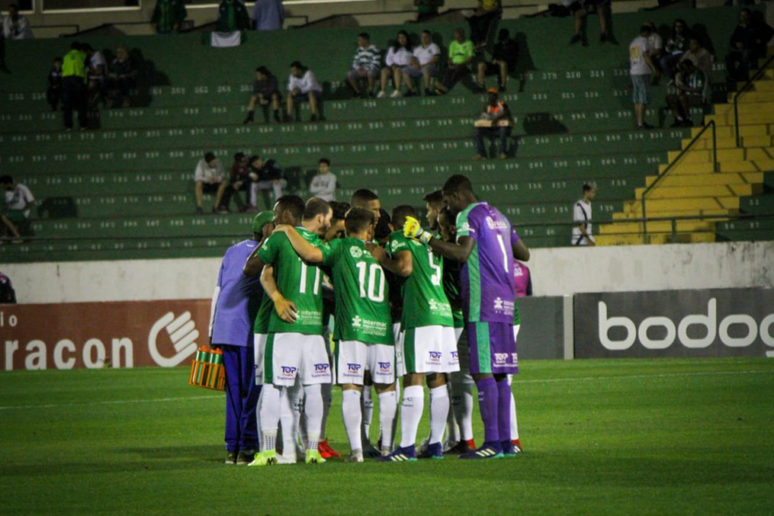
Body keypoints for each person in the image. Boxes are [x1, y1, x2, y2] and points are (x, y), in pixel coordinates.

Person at [405, 174, 530, 459]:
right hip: (507, 304)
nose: (447, 207)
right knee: (500, 373)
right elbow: (524, 253)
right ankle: (505, 444)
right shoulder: (500, 215)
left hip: (482, 302)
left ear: (458, 195)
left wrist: (424, 238)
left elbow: (462, 253)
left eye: (448, 201)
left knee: (482, 371)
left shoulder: (468, 216)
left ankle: (491, 445)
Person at [274, 207, 398, 462]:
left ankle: (357, 452)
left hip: (353, 326)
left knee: (352, 387)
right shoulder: (380, 252)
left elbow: (309, 253)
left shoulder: (340, 248)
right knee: (386, 388)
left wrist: (288, 229)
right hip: (382, 326)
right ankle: (387, 448)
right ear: (370, 229)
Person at [243, 196, 333, 466]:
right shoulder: (322, 244)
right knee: (314, 387)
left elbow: (260, 271)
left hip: (286, 323)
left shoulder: (280, 238)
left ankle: (269, 451)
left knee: (273, 387)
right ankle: (313, 451)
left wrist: (278, 299)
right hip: (315, 326)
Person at [369, 205, 458, 462]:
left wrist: (382, 257)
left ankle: (406, 447)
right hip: (443, 314)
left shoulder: (399, 237)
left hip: (420, 316)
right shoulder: (432, 243)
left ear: (395, 226)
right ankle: (436, 444)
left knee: (413, 378)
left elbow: (405, 268)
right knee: (437, 379)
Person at [209, 210, 274, 465]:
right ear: (269, 228)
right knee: (252, 390)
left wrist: (212, 331)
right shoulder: (267, 252)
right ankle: (247, 447)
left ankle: (231, 448)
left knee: (234, 392)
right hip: (247, 329)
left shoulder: (231, 250)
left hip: (225, 330)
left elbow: (217, 291)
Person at [436, 206, 475, 455]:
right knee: (454, 381)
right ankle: (458, 437)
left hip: (457, 321)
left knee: (458, 381)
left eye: (440, 226)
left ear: (451, 228)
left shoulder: (453, 253)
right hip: (456, 321)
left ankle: (465, 437)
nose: (437, 230)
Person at [726, 8, 774, 82]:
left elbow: (770, 31)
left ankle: (742, 75)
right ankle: (733, 75)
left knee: (746, 54)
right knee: (730, 56)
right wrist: (736, 44)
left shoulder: (756, 24)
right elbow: (732, 40)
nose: (743, 17)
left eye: (745, 15)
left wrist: (761, 40)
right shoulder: (739, 27)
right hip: (742, 50)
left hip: (755, 50)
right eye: (741, 15)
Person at [629, 25, 658, 130]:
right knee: (642, 99)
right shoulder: (643, 41)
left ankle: (639, 122)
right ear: (646, 33)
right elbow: (646, 55)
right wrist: (653, 68)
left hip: (634, 71)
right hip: (642, 72)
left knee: (637, 99)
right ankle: (641, 123)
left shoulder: (633, 42)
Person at [473, 88, 514, 160]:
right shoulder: (487, 106)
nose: (490, 97)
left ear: (496, 97)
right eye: (489, 95)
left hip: (502, 128)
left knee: (503, 130)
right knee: (477, 131)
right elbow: (482, 116)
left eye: (492, 95)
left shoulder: (502, 104)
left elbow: (507, 113)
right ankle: (481, 153)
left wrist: (497, 119)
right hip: (491, 129)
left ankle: (502, 152)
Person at [435, 28, 474, 96]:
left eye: (459, 37)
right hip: (454, 64)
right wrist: (450, 63)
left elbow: (470, 59)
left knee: (458, 69)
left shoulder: (469, 43)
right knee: (449, 69)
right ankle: (443, 88)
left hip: (465, 65)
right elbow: (450, 57)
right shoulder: (453, 44)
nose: (457, 39)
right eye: (456, 37)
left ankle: (445, 88)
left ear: (463, 35)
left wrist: (461, 63)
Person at [402, 30, 440, 97]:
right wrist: (415, 64)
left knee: (426, 69)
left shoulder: (434, 46)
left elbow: (436, 59)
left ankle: (427, 90)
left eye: (426, 37)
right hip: (419, 67)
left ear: (430, 37)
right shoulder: (418, 48)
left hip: (431, 67)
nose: (424, 39)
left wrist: (426, 64)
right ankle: (412, 90)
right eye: (422, 37)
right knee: (405, 70)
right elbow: (412, 59)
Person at [666, 60, 704, 128]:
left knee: (682, 98)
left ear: (691, 67)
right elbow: (681, 87)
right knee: (670, 98)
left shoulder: (698, 74)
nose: (685, 70)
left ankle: (688, 119)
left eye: (686, 68)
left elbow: (699, 90)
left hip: (697, 97)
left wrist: (685, 88)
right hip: (687, 96)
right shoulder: (685, 76)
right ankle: (679, 119)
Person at [61, 41, 88, 132]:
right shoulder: (83, 55)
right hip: (78, 81)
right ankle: (83, 125)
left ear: (71, 48)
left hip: (66, 81)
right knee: (81, 104)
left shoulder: (65, 56)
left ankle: (68, 126)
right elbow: (86, 69)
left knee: (67, 105)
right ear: (80, 49)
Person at [378, 31, 414, 99]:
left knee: (398, 70)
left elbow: (414, 59)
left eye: (403, 37)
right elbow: (388, 58)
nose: (401, 39)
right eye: (400, 38)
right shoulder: (393, 48)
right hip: (393, 66)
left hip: (405, 67)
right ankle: (383, 91)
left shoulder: (412, 48)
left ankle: (397, 90)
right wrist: (392, 65)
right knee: (384, 71)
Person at [347, 33, 381, 99]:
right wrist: (358, 69)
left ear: (365, 40)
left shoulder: (374, 49)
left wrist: (367, 70)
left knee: (371, 73)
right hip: (361, 70)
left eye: (360, 40)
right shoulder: (359, 50)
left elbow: (376, 62)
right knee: (350, 74)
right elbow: (355, 62)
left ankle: (371, 91)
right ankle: (357, 92)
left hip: (372, 69)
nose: (358, 42)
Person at [1, 175, 34, 242]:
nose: (2, 187)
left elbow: (32, 201)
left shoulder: (22, 188)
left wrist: (23, 210)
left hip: (22, 212)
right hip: (12, 212)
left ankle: (17, 237)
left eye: (3, 185)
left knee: (3, 217)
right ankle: (4, 237)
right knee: (2, 216)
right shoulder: (7, 193)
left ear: (8, 184)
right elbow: (7, 206)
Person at [572, 182, 596, 246]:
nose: (594, 194)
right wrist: (588, 239)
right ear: (586, 192)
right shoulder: (578, 205)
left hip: (587, 238)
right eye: (592, 192)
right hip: (580, 240)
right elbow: (580, 224)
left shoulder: (589, 204)